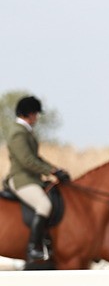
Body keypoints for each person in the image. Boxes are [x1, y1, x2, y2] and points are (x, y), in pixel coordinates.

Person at [4, 95, 69, 264]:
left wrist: (55, 170)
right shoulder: (18, 132)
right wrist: (50, 171)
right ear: (30, 114)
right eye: (36, 114)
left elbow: (36, 158)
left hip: (31, 179)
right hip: (21, 179)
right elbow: (27, 160)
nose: (38, 118)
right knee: (44, 205)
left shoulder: (25, 131)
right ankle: (33, 247)